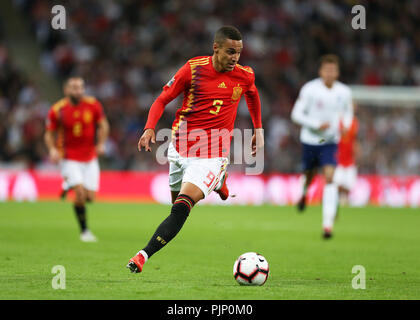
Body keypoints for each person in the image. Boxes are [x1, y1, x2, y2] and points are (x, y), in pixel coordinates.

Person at [127, 26, 264, 273]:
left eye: (239, 53)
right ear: (216, 48)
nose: (235, 57)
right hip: (179, 149)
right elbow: (162, 100)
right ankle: (219, 182)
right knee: (173, 207)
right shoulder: (193, 69)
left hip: (212, 155)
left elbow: (252, 95)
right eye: (230, 52)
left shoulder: (245, 76)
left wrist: (258, 128)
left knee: (181, 209)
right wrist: (149, 128)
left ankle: (142, 256)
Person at [291, 54, 353, 239]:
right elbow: (296, 114)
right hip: (310, 140)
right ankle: (304, 194)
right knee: (309, 176)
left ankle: (327, 225)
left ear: (337, 72)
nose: (330, 73)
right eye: (327, 70)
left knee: (330, 178)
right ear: (320, 71)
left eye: (333, 70)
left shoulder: (344, 92)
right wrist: (316, 124)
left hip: (330, 142)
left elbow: (348, 113)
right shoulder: (310, 89)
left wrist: (346, 126)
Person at [44, 77, 109, 242]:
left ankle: (68, 184)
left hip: (90, 157)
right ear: (66, 90)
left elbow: (104, 125)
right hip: (69, 157)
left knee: (90, 198)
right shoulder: (57, 110)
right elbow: (49, 133)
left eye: (80, 87)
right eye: (74, 87)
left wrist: (101, 144)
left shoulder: (93, 105)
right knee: (79, 195)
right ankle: (85, 231)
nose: (78, 90)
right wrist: (52, 149)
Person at [334, 105, 359, 206]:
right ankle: (340, 198)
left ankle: (344, 199)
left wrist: (356, 154)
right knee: (336, 183)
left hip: (350, 161)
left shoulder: (354, 122)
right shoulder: (337, 121)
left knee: (349, 185)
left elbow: (355, 141)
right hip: (338, 160)